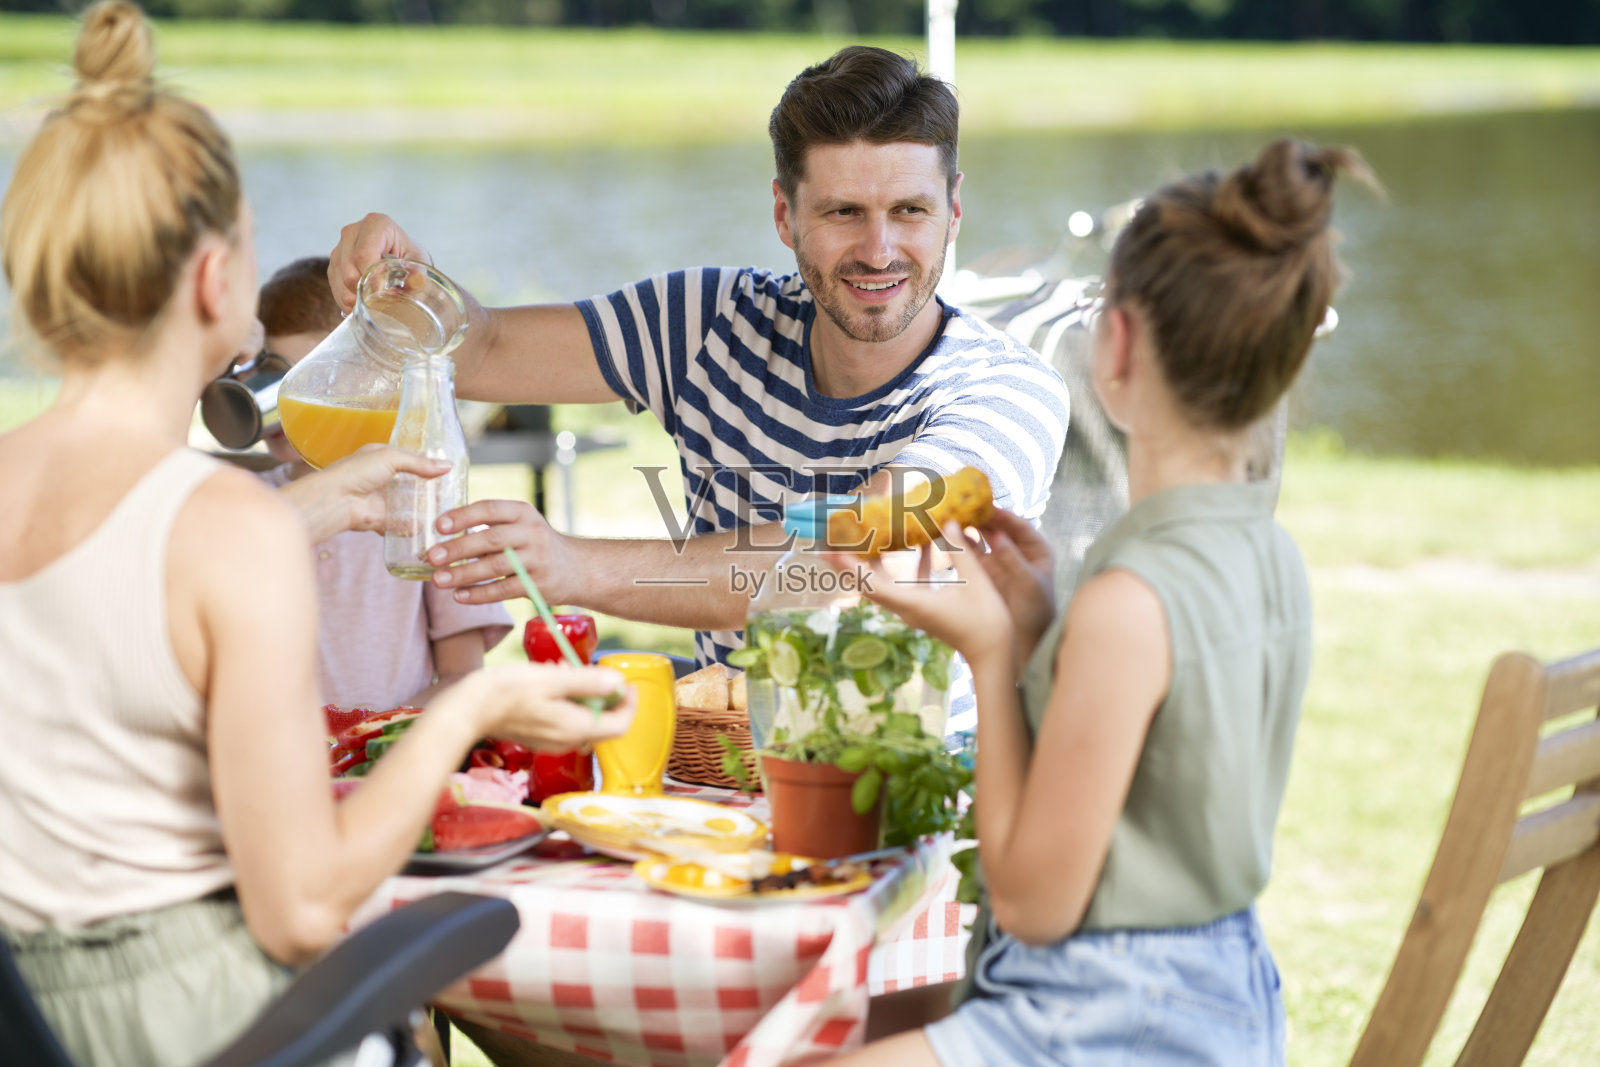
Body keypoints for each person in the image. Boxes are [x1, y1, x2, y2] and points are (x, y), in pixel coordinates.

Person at [0, 6, 632, 1067]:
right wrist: (473, 703)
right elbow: (299, 906)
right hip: (209, 1025)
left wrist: (324, 503)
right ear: (214, 280)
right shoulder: (227, 532)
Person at [328, 45, 1071, 734]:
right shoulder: (709, 321)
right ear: (785, 214)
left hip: (928, 793)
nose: (879, 251)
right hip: (720, 769)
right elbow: (481, 347)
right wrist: (403, 284)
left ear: (954, 210)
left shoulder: (1010, 393)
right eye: (843, 212)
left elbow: (854, 557)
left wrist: (577, 566)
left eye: (909, 210)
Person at [825, 140, 1377, 1066]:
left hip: (1108, 1017)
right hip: (1226, 993)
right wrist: (1041, 626)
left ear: (1114, 344)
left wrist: (994, 657)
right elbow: (1159, 775)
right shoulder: (1259, 550)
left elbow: (1037, 905)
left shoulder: (1129, 599)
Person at [254, 255, 514, 709]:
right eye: (272, 372)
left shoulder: (427, 504)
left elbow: (462, 676)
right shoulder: (244, 508)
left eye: (313, 376)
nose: (282, 398)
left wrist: (373, 741)